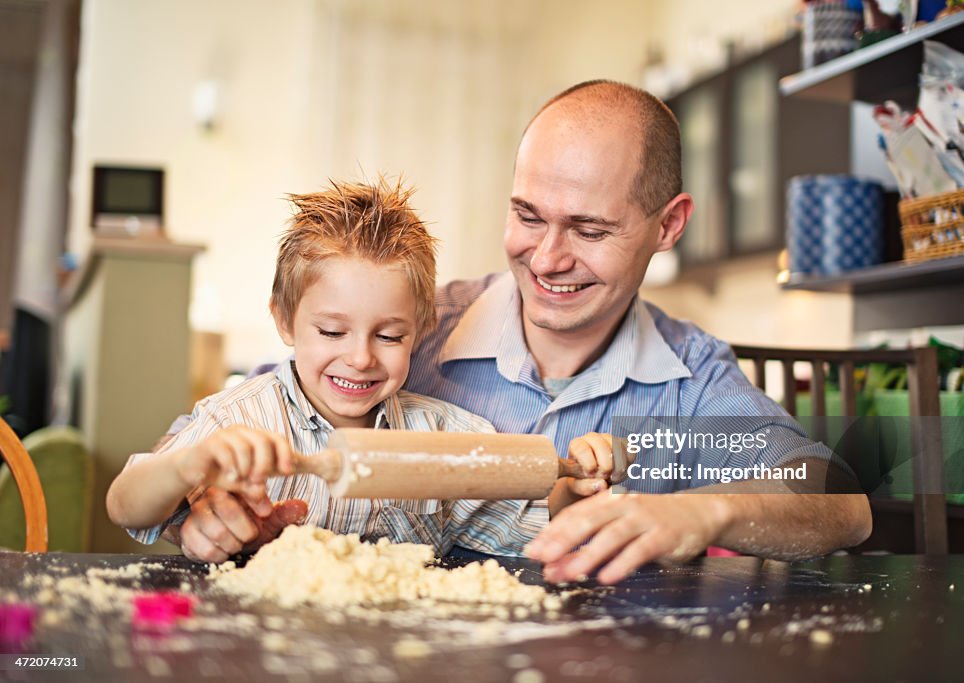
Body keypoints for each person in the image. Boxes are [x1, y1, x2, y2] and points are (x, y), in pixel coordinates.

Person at [170, 80, 872, 581]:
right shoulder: (406, 332)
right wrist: (207, 505)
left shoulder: (690, 379)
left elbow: (841, 501)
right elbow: (251, 418)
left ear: (668, 225)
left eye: (590, 229)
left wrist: (703, 514)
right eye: (529, 216)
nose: (547, 257)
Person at [106, 179, 554, 561]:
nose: (360, 358)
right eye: (332, 332)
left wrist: (587, 487)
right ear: (284, 320)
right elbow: (125, 504)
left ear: (421, 331)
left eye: (389, 337)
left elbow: (538, 526)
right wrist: (185, 467)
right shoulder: (235, 422)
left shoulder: (447, 438)